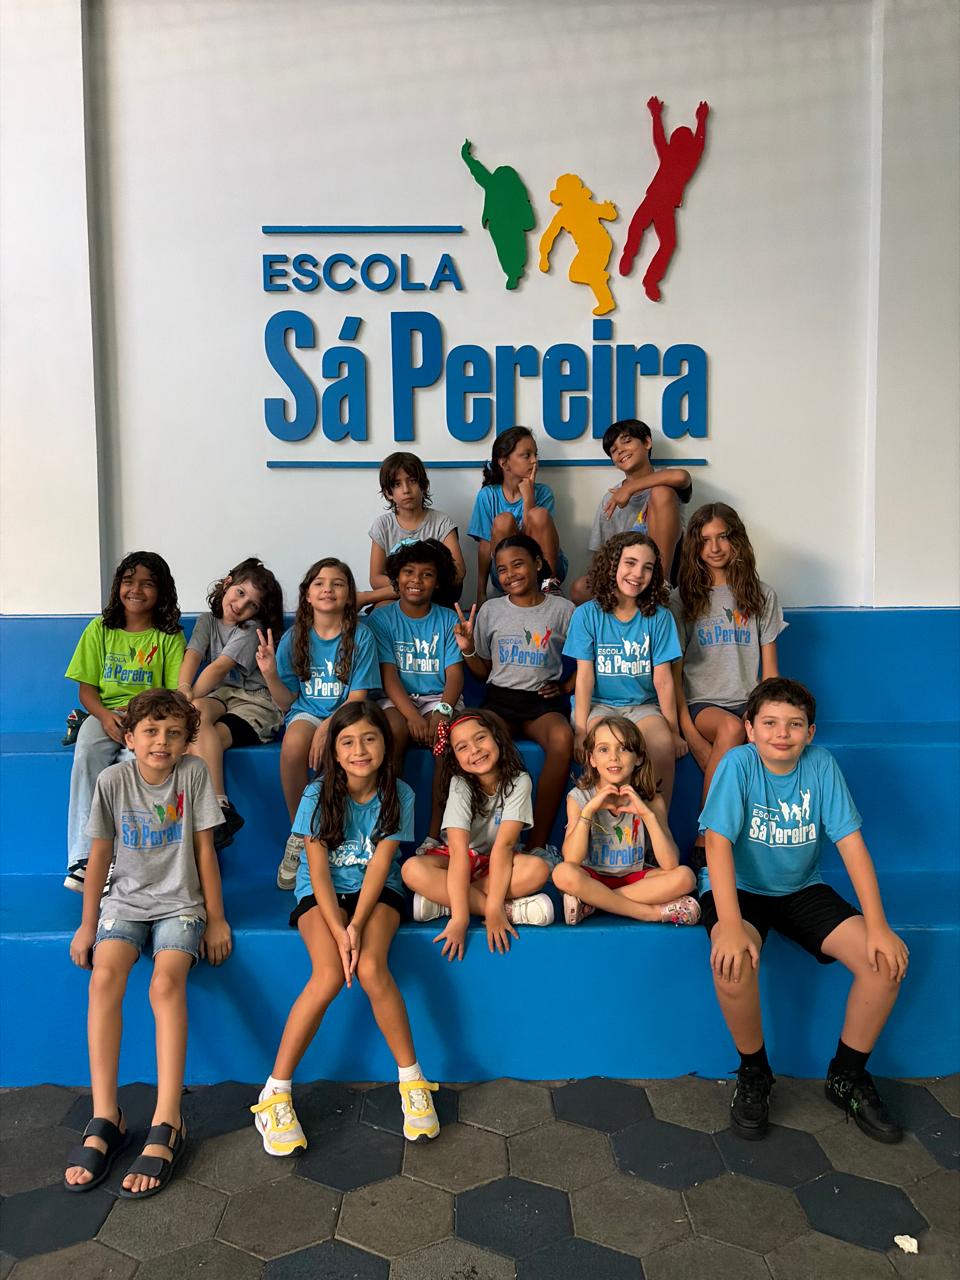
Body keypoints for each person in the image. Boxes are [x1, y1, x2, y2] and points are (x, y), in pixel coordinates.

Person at [700, 677, 908, 1143]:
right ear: (749, 728)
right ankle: (754, 1072)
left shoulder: (821, 765)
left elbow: (852, 846)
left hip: (800, 888)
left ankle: (847, 1075)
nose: (782, 733)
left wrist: (878, 926)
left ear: (810, 732)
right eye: (770, 723)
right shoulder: (738, 765)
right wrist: (729, 925)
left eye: (794, 724)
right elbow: (716, 844)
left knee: (884, 965)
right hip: (740, 889)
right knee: (732, 962)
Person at [252, 702, 440, 1154]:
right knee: (329, 974)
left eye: (370, 739)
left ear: (385, 746)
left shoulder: (400, 794)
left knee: (372, 968)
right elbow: (317, 870)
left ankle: (412, 1082)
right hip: (322, 894)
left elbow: (380, 866)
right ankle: (275, 1092)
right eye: (348, 742)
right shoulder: (317, 794)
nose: (360, 750)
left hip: (376, 892)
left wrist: (356, 924)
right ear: (334, 752)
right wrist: (339, 929)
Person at [64, 690, 231, 1197]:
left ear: (187, 740)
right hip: (125, 903)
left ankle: (167, 1119)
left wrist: (217, 919)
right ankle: (105, 1115)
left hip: (181, 904)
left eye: (174, 733)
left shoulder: (193, 774)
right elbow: (98, 857)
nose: (162, 742)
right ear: (130, 738)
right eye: (151, 732)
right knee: (105, 977)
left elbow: (205, 850)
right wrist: (88, 924)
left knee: (164, 984)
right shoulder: (112, 780)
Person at [64, 551, 186, 891]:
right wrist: (104, 717)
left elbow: (173, 694)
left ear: (162, 591)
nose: (136, 590)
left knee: (134, 765)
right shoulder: (99, 629)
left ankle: (120, 859)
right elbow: (86, 691)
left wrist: (140, 722)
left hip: (149, 717)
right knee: (86, 753)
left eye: (147, 584)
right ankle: (85, 858)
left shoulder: (169, 636)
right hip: (104, 713)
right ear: (118, 585)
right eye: (129, 582)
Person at [255, 559, 379, 889]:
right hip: (307, 712)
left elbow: (359, 697)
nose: (328, 589)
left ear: (349, 595)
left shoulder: (362, 636)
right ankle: (300, 833)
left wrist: (329, 727)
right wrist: (270, 675)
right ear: (307, 594)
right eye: (319, 583)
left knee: (346, 747)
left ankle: (339, 837)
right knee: (294, 744)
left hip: (349, 714)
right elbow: (286, 702)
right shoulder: (294, 638)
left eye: (337, 583)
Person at [452, 534, 575, 858]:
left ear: (538, 563)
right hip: (500, 701)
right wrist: (468, 649)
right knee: (477, 740)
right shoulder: (491, 610)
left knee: (563, 738)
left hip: (542, 703)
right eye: (502, 569)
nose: (510, 574)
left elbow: (589, 656)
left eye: (517, 564)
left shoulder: (563, 610)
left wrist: (566, 686)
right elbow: (483, 671)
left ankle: (538, 845)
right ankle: (481, 844)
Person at [671, 504, 786, 846]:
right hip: (702, 703)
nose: (715, 547)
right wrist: (690, 735)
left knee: (774, 742)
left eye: (722, 537)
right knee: (732, 728)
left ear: (736, 540)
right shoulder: (682, 599)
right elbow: (673, 676)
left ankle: (765, 844)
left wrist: (766, 717)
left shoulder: (762, 594)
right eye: (705, 540)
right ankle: (705, 838)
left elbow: (771, 674)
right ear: (695, 546)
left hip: (748, 702)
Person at [402, 710, 557, 956]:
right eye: (462, 747)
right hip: (458, 860)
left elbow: (504, 846)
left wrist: (489, 906)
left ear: (497, 737)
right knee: (411, 869)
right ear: (455, 757)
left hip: (497, 863)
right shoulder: (460, 784)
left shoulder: (519, 781)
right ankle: (510, 912)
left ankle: (445, 902)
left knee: (538, 870)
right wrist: (463, 918)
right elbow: (458, 852)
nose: (474, 750)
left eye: (480, 738)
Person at [564, 531, 686, 807]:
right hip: (600, 706)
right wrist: (581, 730)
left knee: (662, 745)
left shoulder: (660, 618)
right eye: (630, 563)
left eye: (647, 567)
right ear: (612, 565)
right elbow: (584, 678)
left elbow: (663, 680)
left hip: (643, 706)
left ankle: (657, 825)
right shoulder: (587, 615)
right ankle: (602, 825)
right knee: (605, 748)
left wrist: (673, 731)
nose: (638, 574)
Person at [177, 557, 285, 850]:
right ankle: (219, 813)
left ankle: (217, 805)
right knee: (195, 712)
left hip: (256, 702)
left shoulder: (251, 629)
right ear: (227, 584)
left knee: (195, 737)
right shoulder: (207, 621)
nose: (240, 605)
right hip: (223, 696)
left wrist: (182, 705)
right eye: (239, 593)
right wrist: (183, 691)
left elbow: (218, 668)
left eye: (251, 604)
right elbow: (193, 656)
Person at [554, 715, 699, 925]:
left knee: (685, 877)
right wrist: (589, 810)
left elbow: (670, 863)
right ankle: (650, 913)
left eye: (623, 749)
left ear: (638, 757)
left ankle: (593, 902)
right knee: (562, 873)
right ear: (592, 759)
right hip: (592, 876)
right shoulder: (579, 797)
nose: (614, 757)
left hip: (634, 878)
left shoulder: (651, 799)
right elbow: (571, 859)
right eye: (604, 749)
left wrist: (647, 815)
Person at [366, 539, 464, 843]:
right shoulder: (382, 618)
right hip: (396, 700)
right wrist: (413, 717)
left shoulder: (448, 619)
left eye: (427, 574)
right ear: (397, 578)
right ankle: (387, 825)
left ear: (438, 582)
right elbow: (388, 676)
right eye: (409, 572)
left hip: (438, 700)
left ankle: (436, 834)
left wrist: (443, 711)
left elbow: (455, 675)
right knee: (393, 731)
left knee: (445, 739)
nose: (416, 580)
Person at [571, 418, 692, 602]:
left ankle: (660, 587)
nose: (620, 450)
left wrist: (629, 488)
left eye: (626, 441)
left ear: (647, 442)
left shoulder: (666, 482)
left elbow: (682, 477)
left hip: (667, 571)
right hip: (625, 576)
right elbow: (601, 554)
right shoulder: (610, 499)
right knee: (580, 588)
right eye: (613, 450)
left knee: (661, 492)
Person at [619, 98, 709, 302]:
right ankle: (639, 267)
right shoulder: (683, 159)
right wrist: (701, 120)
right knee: (651, 234)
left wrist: (656, 114)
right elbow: (694, 143)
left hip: (661, 204)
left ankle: (646, 275)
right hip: (658, 202)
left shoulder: (683, 160)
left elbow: (662, 139)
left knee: (650, 233)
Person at [468, 427, 566, 605]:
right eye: (526, 455)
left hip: (544, 569)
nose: (534, 460)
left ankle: (549, 586)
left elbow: (533, 543)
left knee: (539, 514)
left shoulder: (544, 493)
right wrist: (480, 592)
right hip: (508, 574)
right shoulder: (488, 495)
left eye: (535, 454)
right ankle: (510, 591)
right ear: (504, 463)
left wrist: (529, 498)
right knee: (503, 520)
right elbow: (485, 547)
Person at [362, 452, 465, 608]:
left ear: (424, 486)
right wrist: (410, 584)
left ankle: (366, 597)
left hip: (435, 597)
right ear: (388, 493)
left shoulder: (441, 522)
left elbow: (458, 572)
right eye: (397, 484)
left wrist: (421, 582)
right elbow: (376, 579)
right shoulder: (383, 525)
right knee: (382, 607)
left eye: (412, 481)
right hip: (397, 598)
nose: (406, 490)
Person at [460, 138, 536, 290]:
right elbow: (479, 172)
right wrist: (466, 157)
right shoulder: (497, 186)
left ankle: (514, 272)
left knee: (510, 248)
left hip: (503, 225)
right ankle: (513, 272)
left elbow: (479, 173)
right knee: (507, 249)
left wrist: (466, 156)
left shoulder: (500, 188)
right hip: (499, 225)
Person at [539, 172, 618, 315]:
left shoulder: (585, 205)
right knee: (576, 274)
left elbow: (610, 215)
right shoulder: (564, 214)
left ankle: (606, 299)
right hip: (589, 247)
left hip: (600, 243)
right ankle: (599, 278)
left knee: (583, 273)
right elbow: (549, 236)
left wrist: (609, 209)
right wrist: (544, 256)